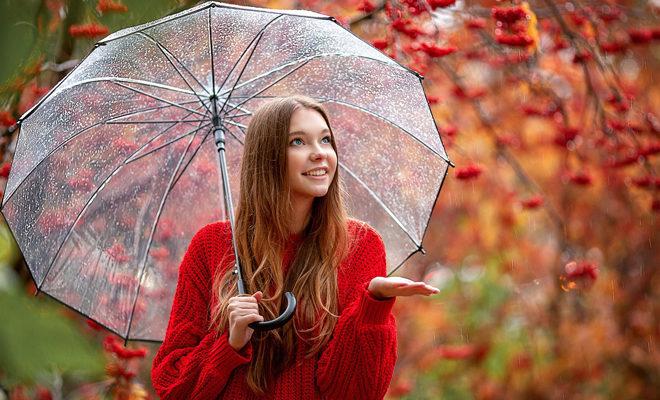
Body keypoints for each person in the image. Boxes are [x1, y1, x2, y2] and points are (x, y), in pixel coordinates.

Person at [151, 95, 440, 399]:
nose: (319, 154)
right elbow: (173, 388)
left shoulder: (359, 247)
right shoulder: (212, 246)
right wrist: (229, 343)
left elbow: (356, 393)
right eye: (298, 142)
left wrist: (373, 305)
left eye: (325, 140)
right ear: (268, 157)